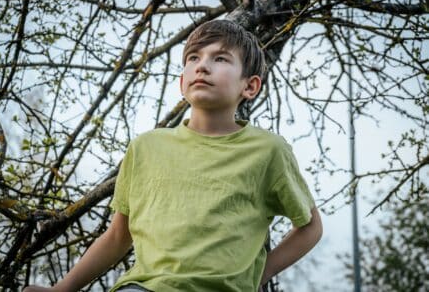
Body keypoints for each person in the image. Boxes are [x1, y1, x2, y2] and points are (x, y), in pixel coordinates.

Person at [24, 19, 323, 292]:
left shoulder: (268, 150)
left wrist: (258, 274)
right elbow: (118, 236)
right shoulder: (146, 148)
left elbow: (309, 227)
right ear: (182, 83)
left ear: (250, 85)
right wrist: (59, 290)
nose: (202, 66)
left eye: (220, 58)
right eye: (193, 58)